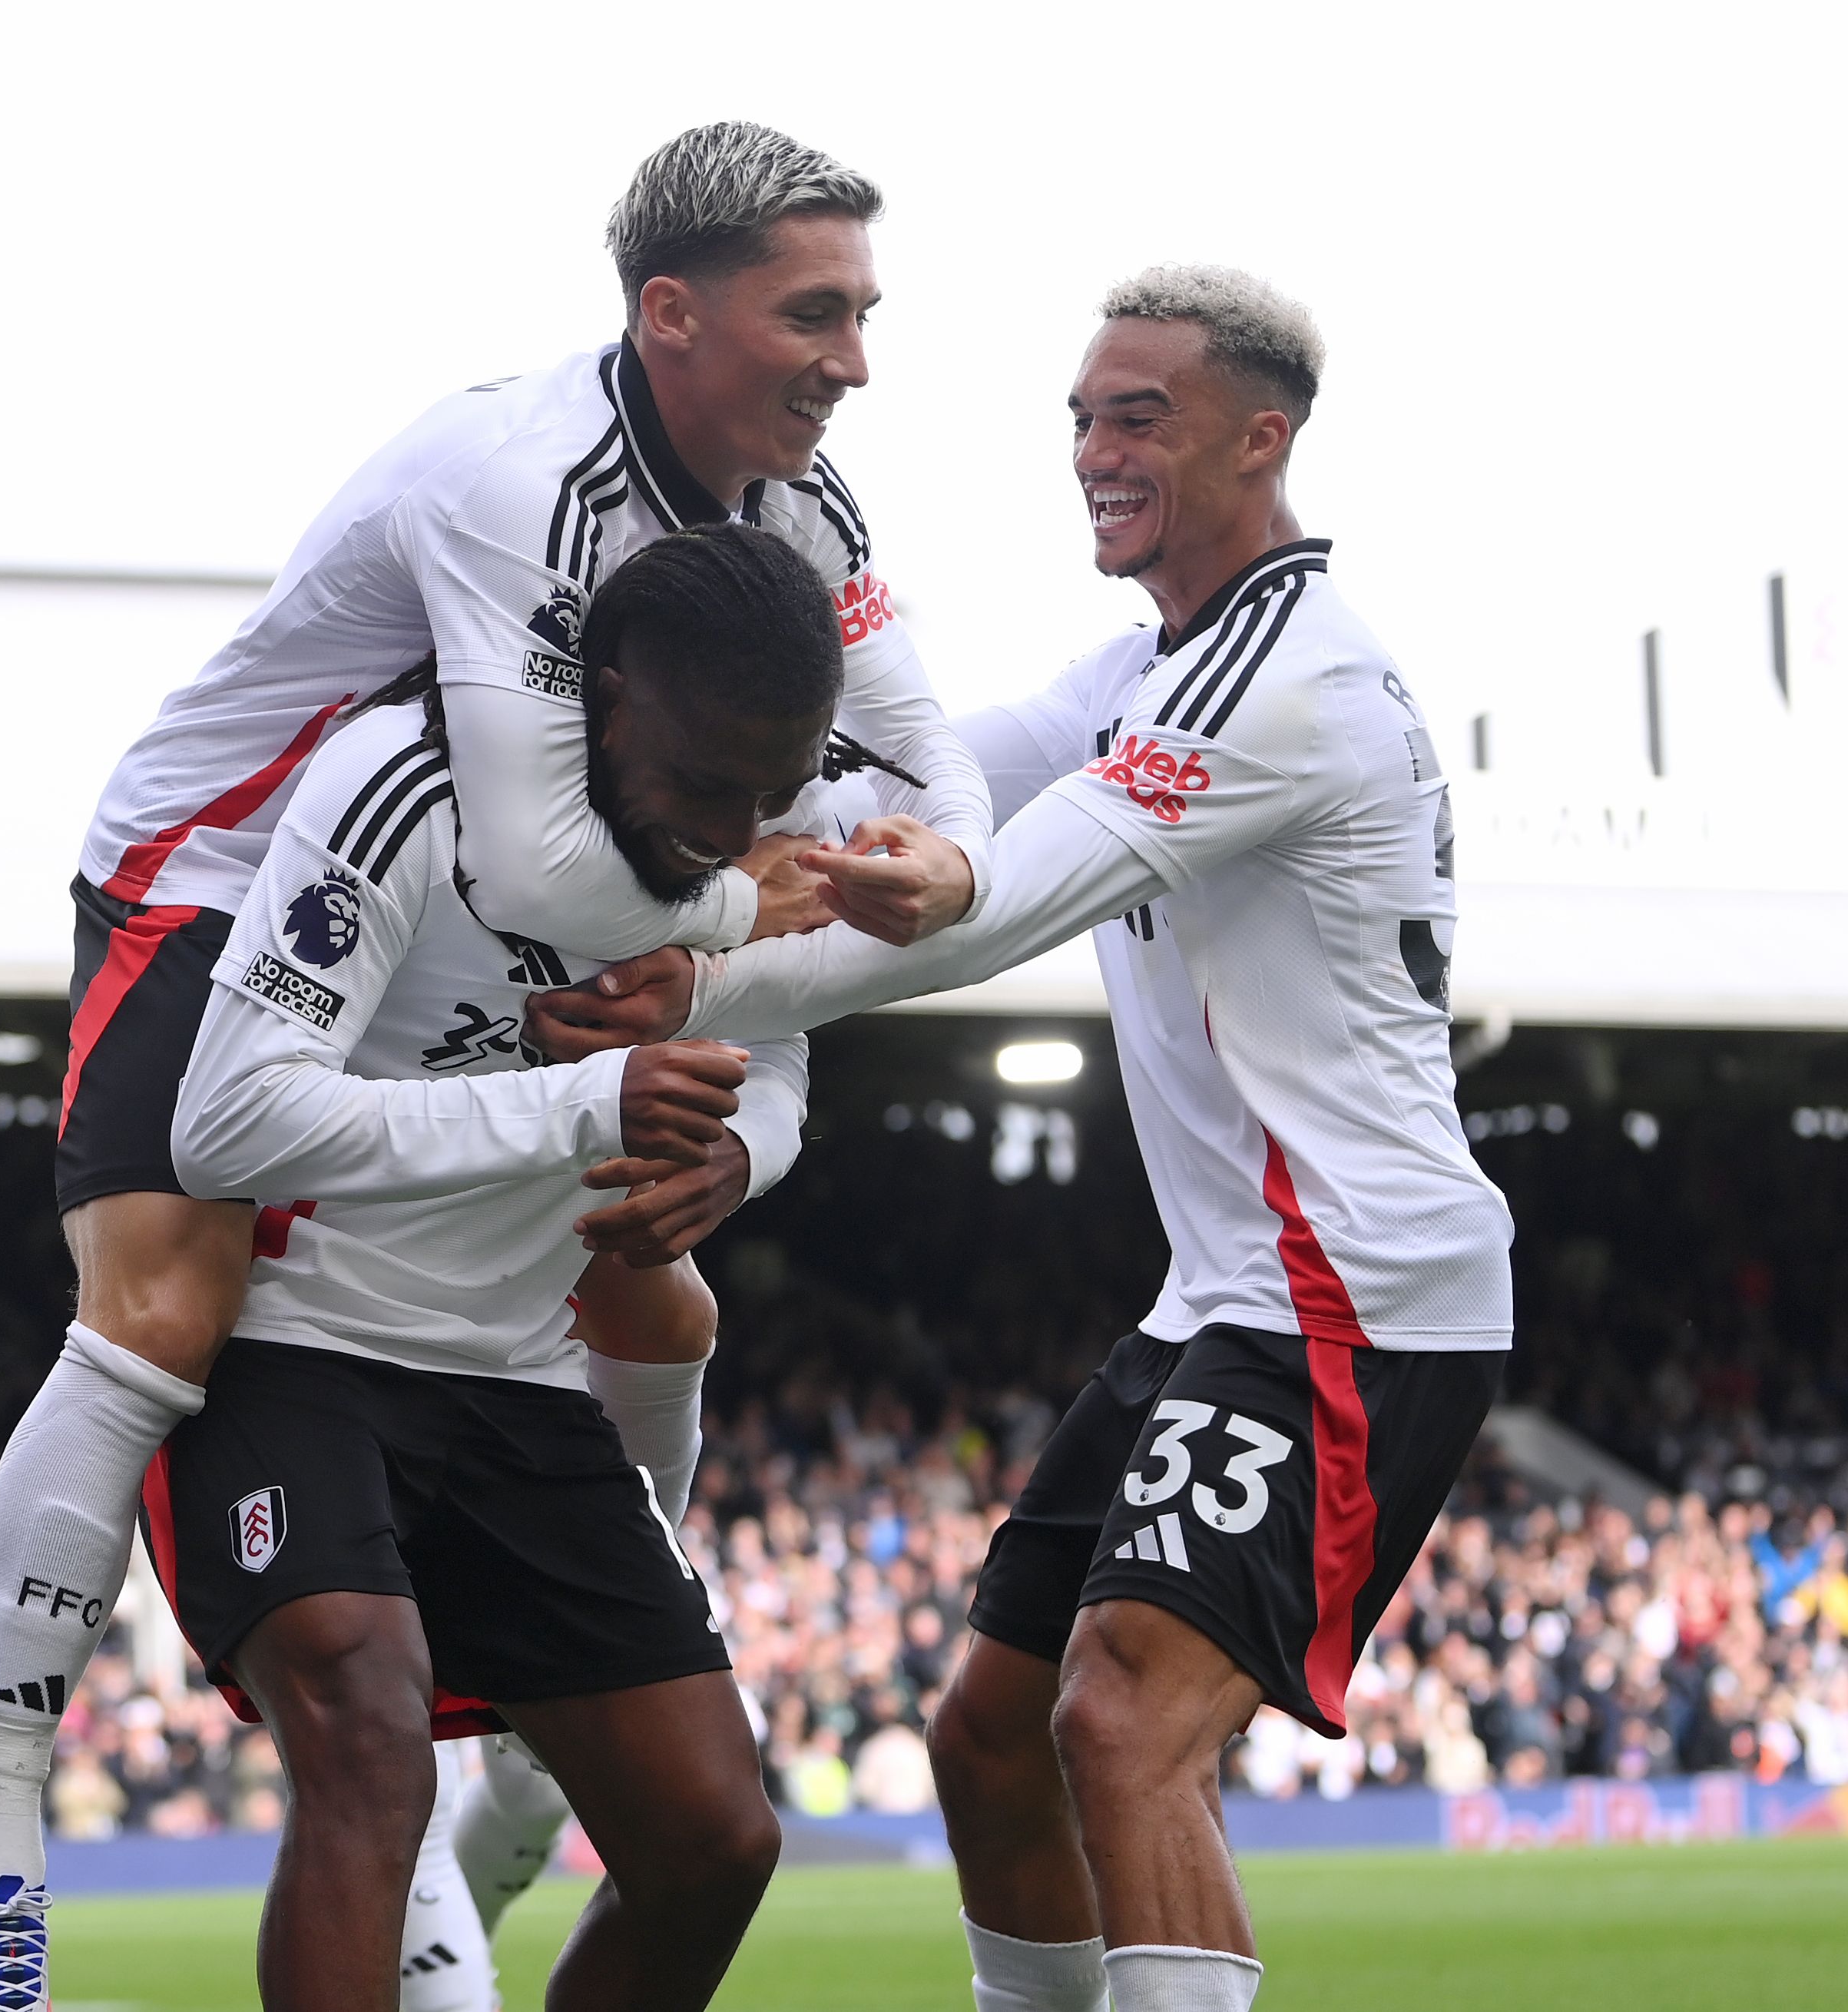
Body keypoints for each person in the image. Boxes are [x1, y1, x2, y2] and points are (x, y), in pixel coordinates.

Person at [0, 118, 990, 2000]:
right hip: (243, 855)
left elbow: (920, 783)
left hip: (541, 912)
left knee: (649, 1297)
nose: (854, 360)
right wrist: (750, 918)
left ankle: (571, 1678)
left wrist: (931, 873)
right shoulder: (523, 485)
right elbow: (537, 862)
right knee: (171, 1301)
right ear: (672, 313)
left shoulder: (806, 525)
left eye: (864, 313)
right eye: (812, 313)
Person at [532, 269, 1515, 2012]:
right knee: (991, 1734)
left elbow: (993, 898)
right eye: (1081, 414)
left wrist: (699, 964)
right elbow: (951, 789)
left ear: (1260, 438)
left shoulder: (1288, 683)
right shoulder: (1160, 664)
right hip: (1228, 1298)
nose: (1095, 449)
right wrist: (725, 789)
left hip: (1352, 1295)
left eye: (1140, 415)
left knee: (1122, 1715)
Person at [113, 523, 826, 2012]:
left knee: (712, 1836)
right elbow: (228, 1119)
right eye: (707, 784)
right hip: (292, 1343)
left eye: (772, 789)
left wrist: (735, 1153)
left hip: (514, 1371)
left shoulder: (748, 813)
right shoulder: (406, 779)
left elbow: (780, 1037)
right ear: (609, 696)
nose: (733, 826)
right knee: (366, 1749)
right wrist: (582, 1100)